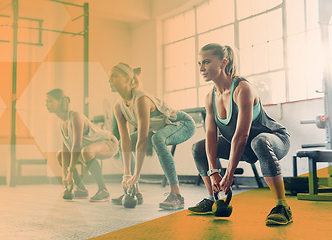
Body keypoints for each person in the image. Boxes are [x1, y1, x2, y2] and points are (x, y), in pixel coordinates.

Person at [187, 43, 292, 226]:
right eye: (199, 64)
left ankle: (282, 207)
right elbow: (211, 135)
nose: (201, 68)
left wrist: (229, 174)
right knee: (198, 148)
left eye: (206, 62)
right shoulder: (210, 97)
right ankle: (213, 199)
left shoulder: (243, 89)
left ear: (223, 62)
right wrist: (214, 172)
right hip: (245, 146)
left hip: (273, 140)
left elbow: (241, 135)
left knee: (258, 141)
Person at [108, 63, 195, 210]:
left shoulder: (141, 99)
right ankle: (135, 191)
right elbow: (126, 141)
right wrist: (126, 175)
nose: (110, 80)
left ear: (128, 79)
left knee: (157, 139)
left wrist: (136, 175)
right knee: (125, 141)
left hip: (182, 123)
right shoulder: (118, 106)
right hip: (161, 128)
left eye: (114, 76)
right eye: (109, 77)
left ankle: (176, 195)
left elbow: (142, 140)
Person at [46, 89, 118, 202]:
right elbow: (66, 149)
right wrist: (65, 175)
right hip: (88, 148)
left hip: (110, 143)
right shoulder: (60, 121)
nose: (46, 104)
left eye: (49, 101)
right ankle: (81, 189)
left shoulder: (75, 116)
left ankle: (103, 191)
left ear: (60, 102)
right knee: (60, 154)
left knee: (86, 151)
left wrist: (70, 171)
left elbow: (76, 146)